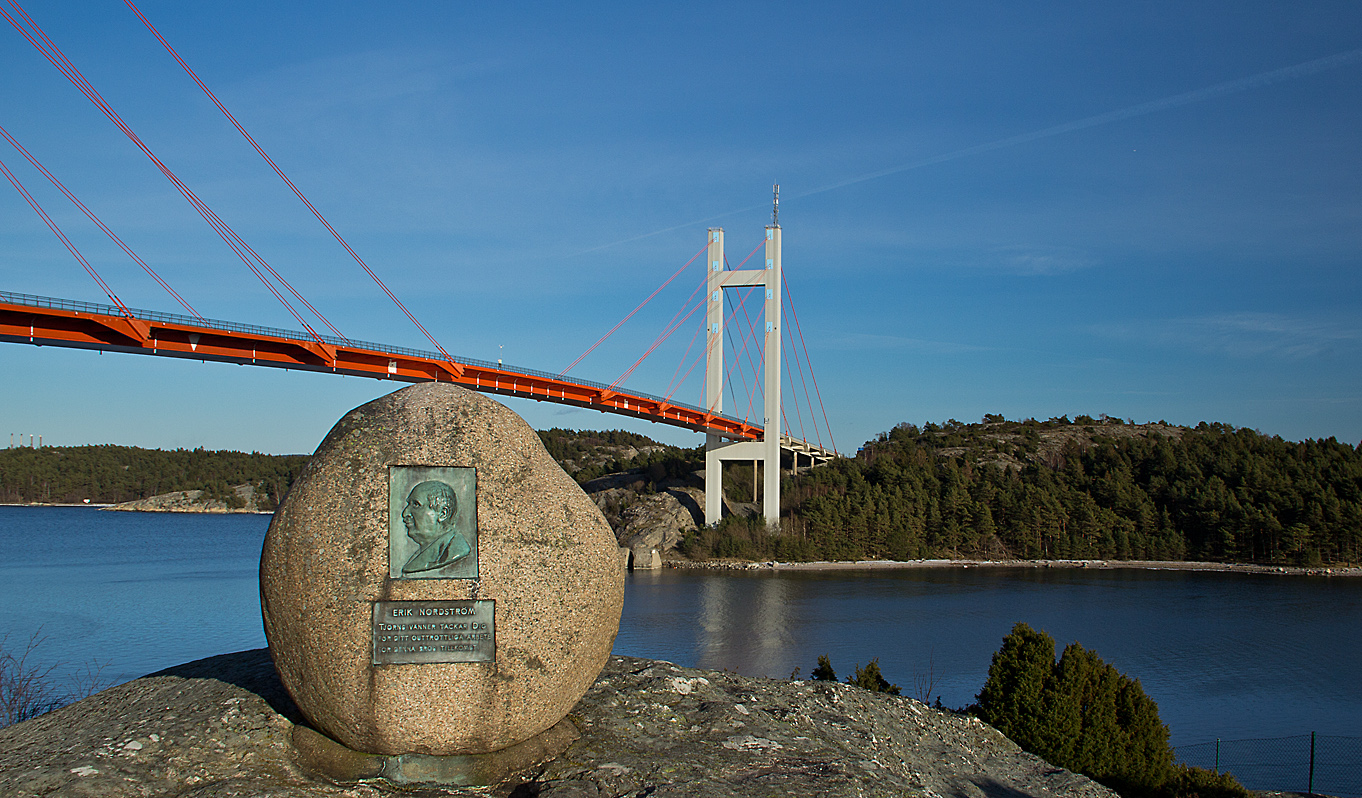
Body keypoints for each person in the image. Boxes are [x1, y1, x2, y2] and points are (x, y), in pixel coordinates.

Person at [400, 480, 471, 575]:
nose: (405, 513)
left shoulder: (454, 551)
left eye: (416, 505)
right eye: (409, 504)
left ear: (442, 514)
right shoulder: (422, 554)